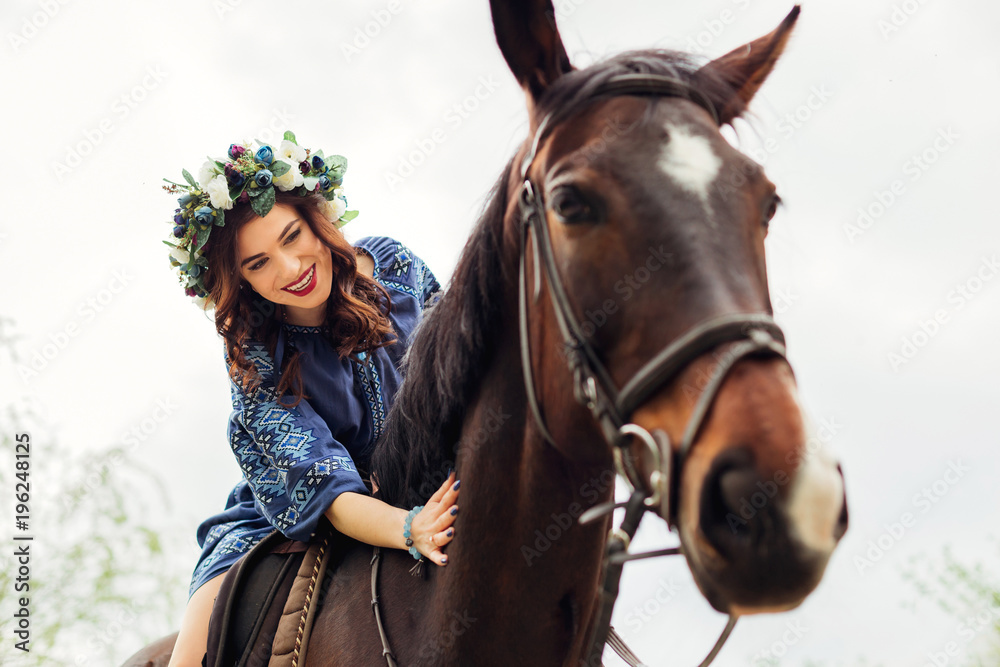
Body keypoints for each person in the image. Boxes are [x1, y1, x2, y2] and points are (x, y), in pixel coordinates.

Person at [161, 131, 458, 666]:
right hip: (293, 505)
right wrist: (408, 528)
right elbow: (325, 486)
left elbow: (461, 363)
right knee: (189, 655)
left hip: (423, 468)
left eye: (292, 236)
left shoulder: (395, 266)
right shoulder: (256, 356)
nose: (290, 269)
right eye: (258, 264)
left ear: (318, 218)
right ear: (240, 281)